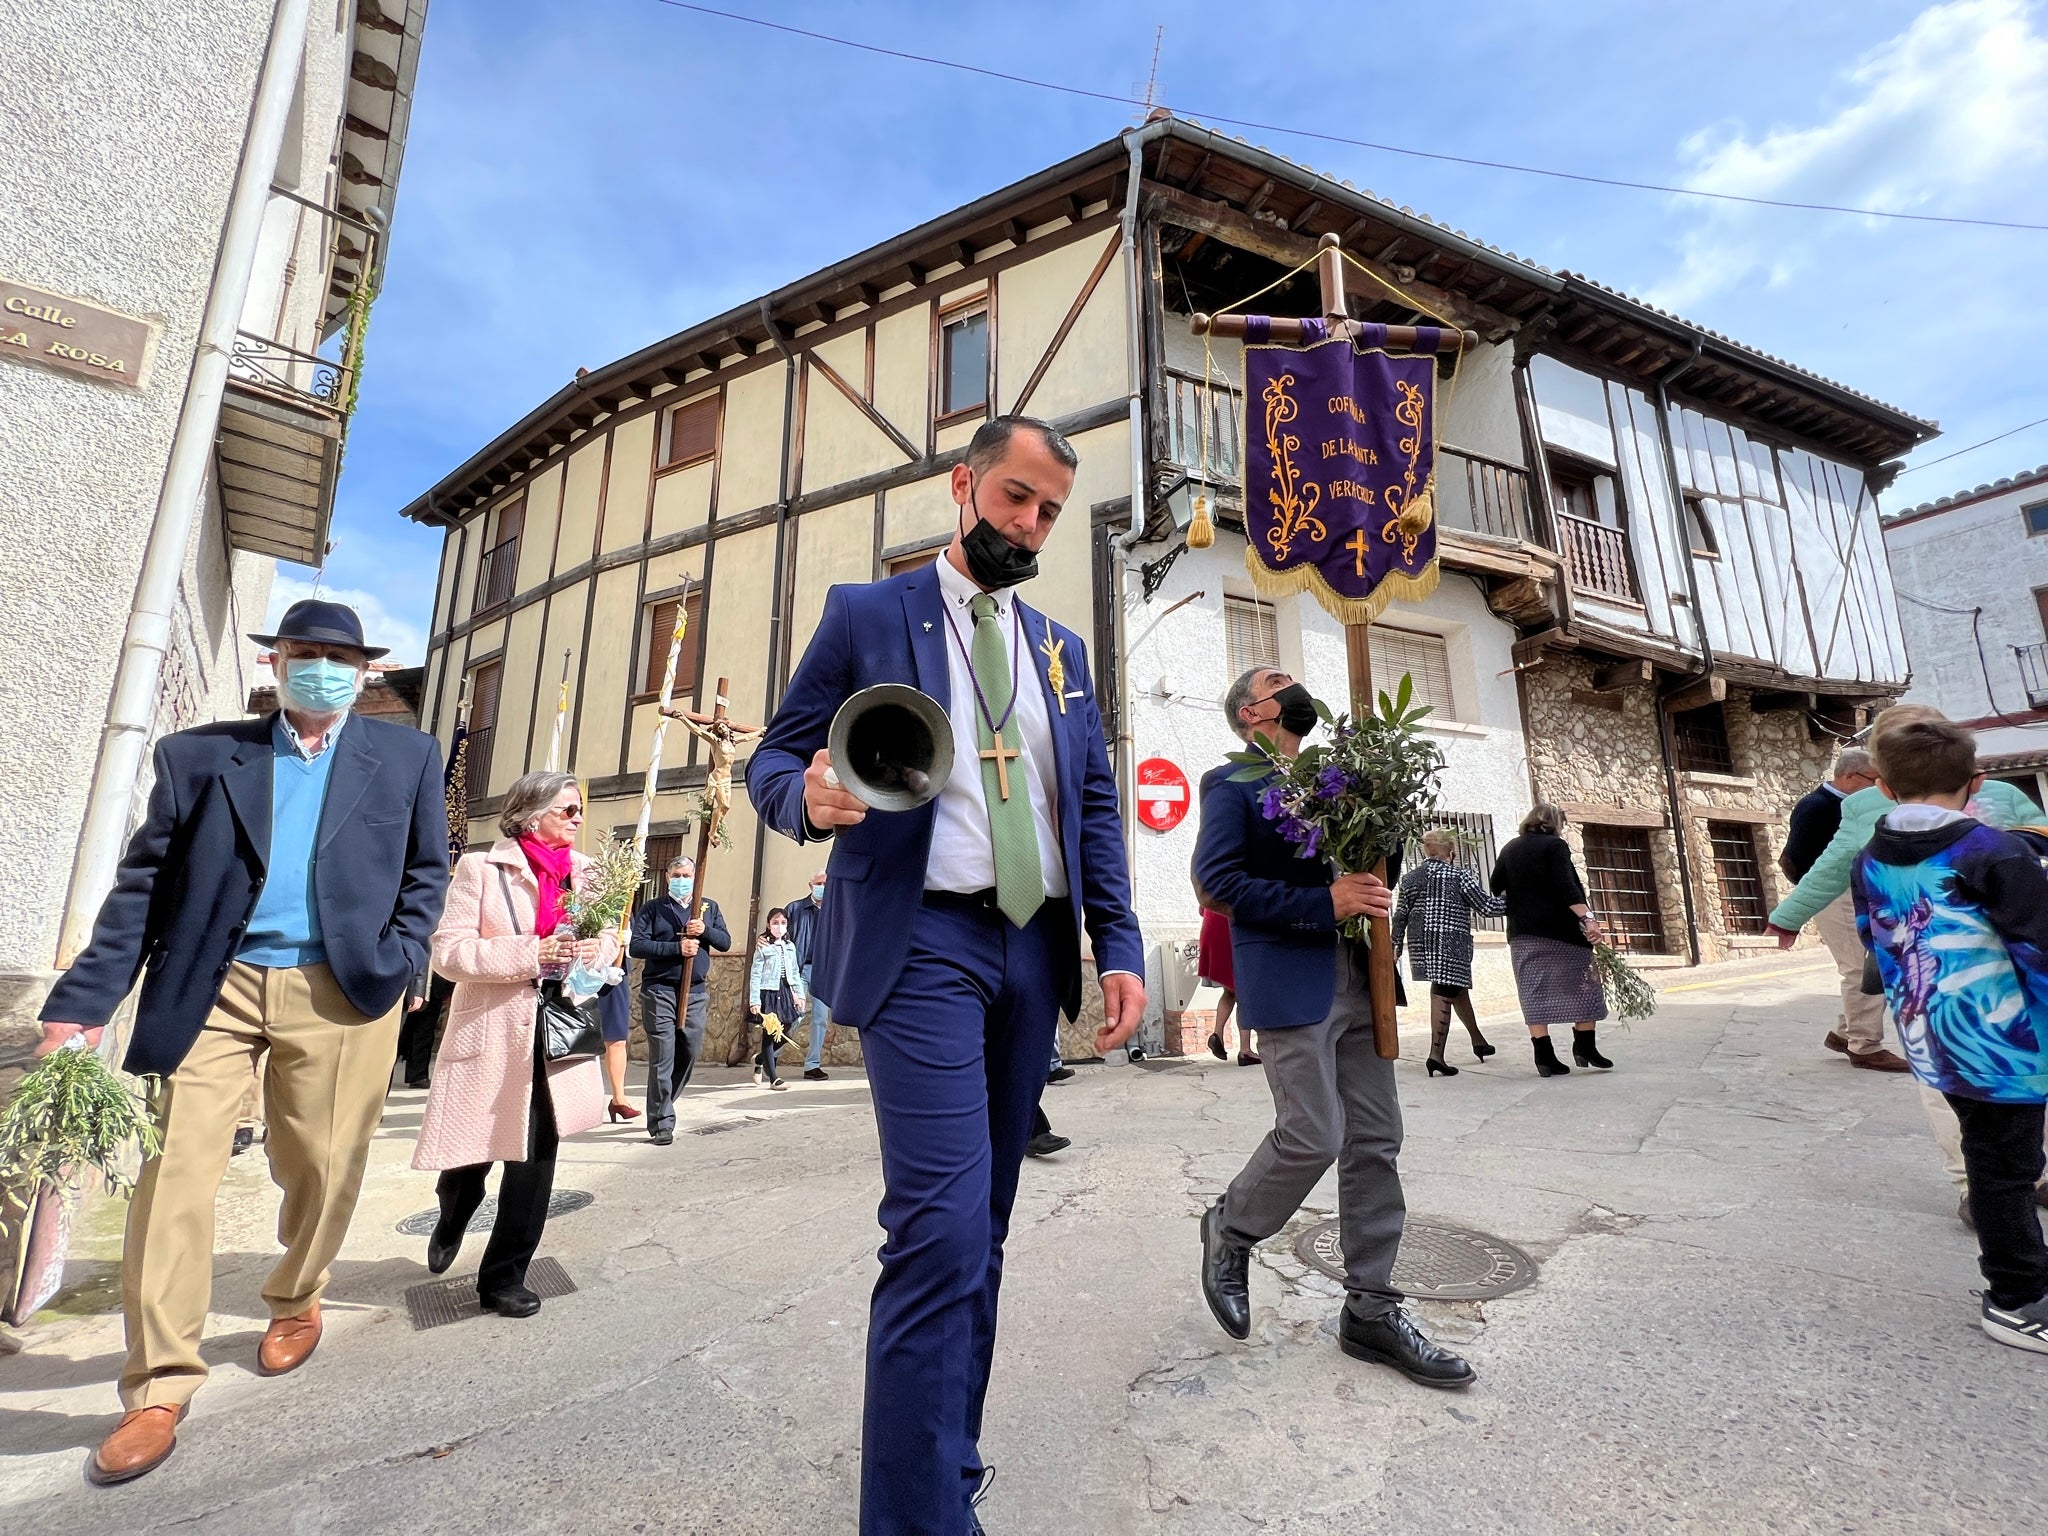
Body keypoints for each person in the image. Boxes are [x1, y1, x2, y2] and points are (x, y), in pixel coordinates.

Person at [748, 413, 1145, 1535]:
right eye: (1015, 497)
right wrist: (808, 797)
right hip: (921, 939)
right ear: (963, 485)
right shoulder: (868, 614)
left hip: (1031, 944)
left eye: (1051, 512)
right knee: (938, 1231)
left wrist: (1114, 942)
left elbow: (1093, 804)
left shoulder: (1060, 651)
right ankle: (915, 1519)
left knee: (988, 1226)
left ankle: (942, 1458)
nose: (1030, 524)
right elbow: (773, 756)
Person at [37, 599, 447, 1486]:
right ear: (275, 664)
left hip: (343, 988)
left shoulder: (407, 756)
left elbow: (426, 871)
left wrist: (405, 958)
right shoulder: (199, 757)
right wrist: (84, 1001)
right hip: (211, 986)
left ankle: (297, 1295)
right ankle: (156, 1385)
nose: (323, 669)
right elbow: (142, 884)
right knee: (174, 1173)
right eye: (305, 653)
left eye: (342, 657)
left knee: (321, 1163)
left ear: (368, 671)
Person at [1193, 664, 1472, 1389]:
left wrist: (1383, 813)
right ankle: (1234, 1227)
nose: (1294, 689)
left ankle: (1372, 1309)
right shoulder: (1233, 785)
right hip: (1290, 977)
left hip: (1364, 978)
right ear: (1254, 713)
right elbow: (1215, 885)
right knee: (1314, 1132)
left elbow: (1369, 869)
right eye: (1277, 681)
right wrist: (1325, 900)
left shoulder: (1337, 777)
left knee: (1377, 1141)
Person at [1849, 715, 2048, 1353]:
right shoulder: (1992, 850)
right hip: (2007, 1044)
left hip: (1934, 1036)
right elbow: (2040, 944)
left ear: (1882, 787)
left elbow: (1874, 941)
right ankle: (2016, 1297)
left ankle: (2023, 1273)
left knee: (1995, 1161)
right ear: (1977, 781)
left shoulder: (1869, 857)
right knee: (2006, 1170)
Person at [412, 772, 618, 1318]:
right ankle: (454, 1209)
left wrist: (600, 951)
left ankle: (504, 1276)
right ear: (530, 813)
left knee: (535, 1159)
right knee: (472, 1154)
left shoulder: (589, 874)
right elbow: (449, 954)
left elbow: (609, 946)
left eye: (579, 811)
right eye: (567, 809)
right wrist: (531, 954)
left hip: (557, 1031)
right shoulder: (480, 869)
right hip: (494, 1033)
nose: (577, 818)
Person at [1771, 710, 2041, 1073]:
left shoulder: (2001, 797)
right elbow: (1825, 865)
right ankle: (1861, 1042)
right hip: (1961, 958)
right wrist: (1792, 914)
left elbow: (2038, 836)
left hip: (1958, 965)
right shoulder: (1856, 807)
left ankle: (1850, 1033)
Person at [1776, 747, 1904, 1068]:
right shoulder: (1816, 807)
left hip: (1860, 894)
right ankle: (1865, 1047)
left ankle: (1844, 1033)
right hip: (1838, 895)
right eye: (1874, 780)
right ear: (1848, 776)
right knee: (1860, 968)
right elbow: (1797, 859)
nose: (1880, 787)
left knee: (1876, 964)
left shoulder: (1854, 805)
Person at [1489, 804, 1613, 1077]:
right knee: (1585, 987)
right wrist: (1589, 919)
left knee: (1533, 991)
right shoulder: (1555, 846)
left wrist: (1523, 894)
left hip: (1523, 933)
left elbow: (1495, 885)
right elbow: (1567, 886)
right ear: (1556, 823)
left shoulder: (1510, 847)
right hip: (1561, 932)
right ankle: (1585, 1048)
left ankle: (1544, 1058)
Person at [628, 855, 731, 1143]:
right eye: (677, 875)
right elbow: (637, 945)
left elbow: (725, 942)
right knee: (663, 1055)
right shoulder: (653, 909)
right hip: (659, 990)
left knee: (689, 1051)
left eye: (687, 876)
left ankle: (663, 1102)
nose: (682, 881)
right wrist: (677, 947)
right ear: (667, 877)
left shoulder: (707, 908)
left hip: (695, 992)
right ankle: (661, 1122)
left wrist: (705, 931)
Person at [1393, 828, 1506, 1077]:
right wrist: (1517, 901)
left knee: (1455, 988)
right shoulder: (1459, 876)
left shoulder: (1411, 878)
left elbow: (1400, 915)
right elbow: (1487, 907)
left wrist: (1395, 946)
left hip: (1421, 942)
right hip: (1451, 940)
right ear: (1451, 852)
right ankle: (1436, 1056)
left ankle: (1479, 1042)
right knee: (1444, 990)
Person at [747, 907, 804, 1091]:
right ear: (768, 925)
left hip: (785, 991)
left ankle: (760, 1059)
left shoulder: (790, 946)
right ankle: (773, 1078)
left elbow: (794, 971)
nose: (779, 927)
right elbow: (755, 974)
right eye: (775, 923)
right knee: (770, 1034)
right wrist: (755, 1000)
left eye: (783, 923)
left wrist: (798, 993)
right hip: (769, 992)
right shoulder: (763, 947)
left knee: (787, 1029)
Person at [786, 869, 835, 1080]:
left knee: (820, 1019)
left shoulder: (836, 911)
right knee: (794, 1016)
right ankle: (771, 1055)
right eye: (819, 883)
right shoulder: (795, 909)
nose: (822, 887)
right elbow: (779, 936)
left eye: (826, 883)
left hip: (824, 972)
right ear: (810, 885)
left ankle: (812, 1065)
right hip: (799, 971)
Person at [1198, 901, 1257, 1065]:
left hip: (1212, 935)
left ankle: (1217, 1034)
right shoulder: (1237, 881)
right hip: (1229, 936)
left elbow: (1201, 910)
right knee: (1245, 993)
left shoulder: (1212, 883)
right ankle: (1245, 1050)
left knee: (1230, 991)